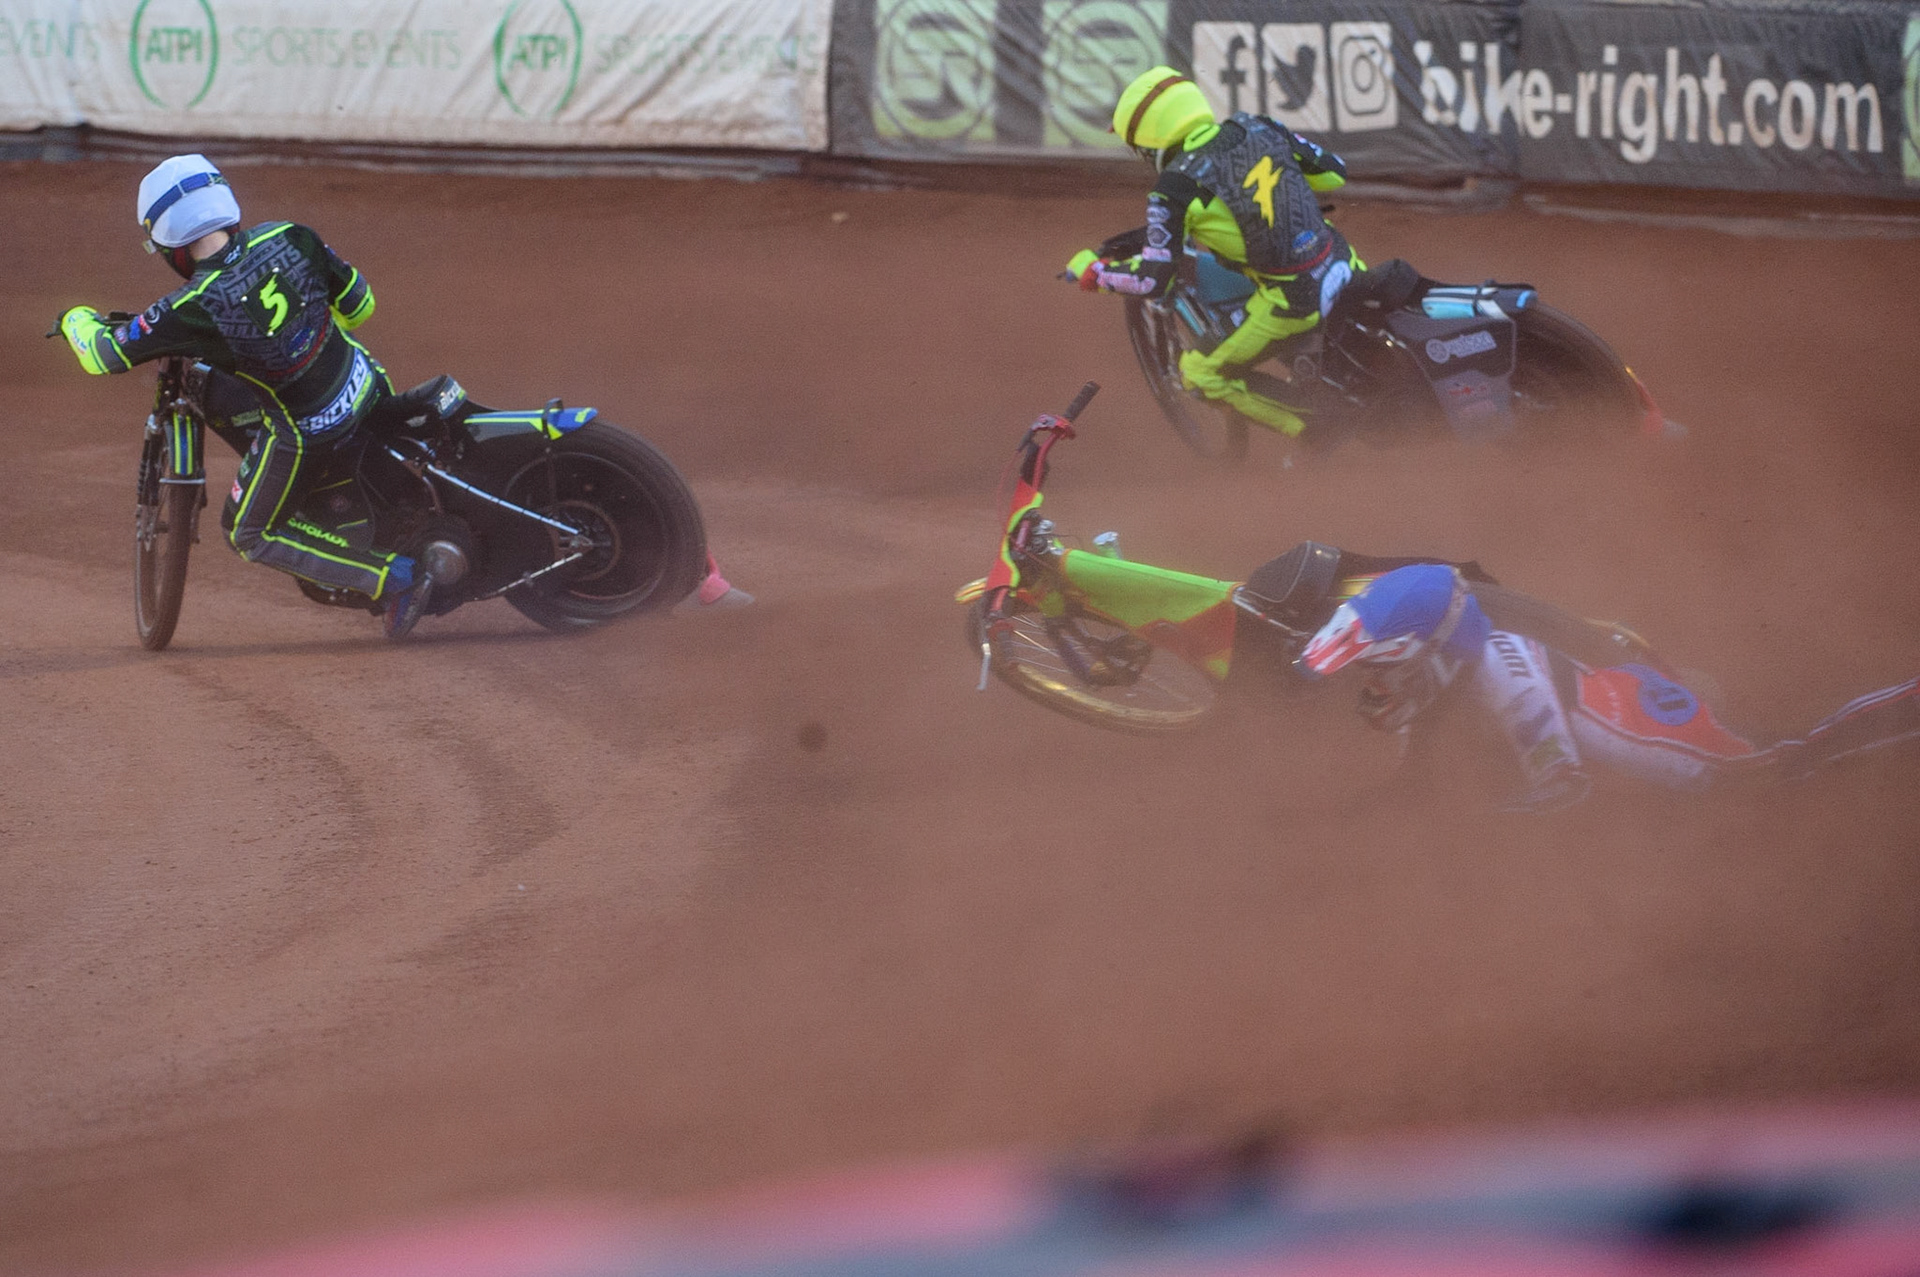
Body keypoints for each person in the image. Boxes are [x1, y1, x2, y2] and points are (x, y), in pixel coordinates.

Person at [56, 154, 438, 639]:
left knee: (247, 532)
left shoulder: (191, 307)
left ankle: (390, 579)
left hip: (309, 432)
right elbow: (360, 305)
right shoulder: (291, 235)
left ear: (169, 244)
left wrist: (74, 318)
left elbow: (102, 356)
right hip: (367, 382)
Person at [1292, 562, 1920, 811]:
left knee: (1780, 766)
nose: (1374, 689)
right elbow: (1417, 773)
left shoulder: (1502, 669)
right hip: (1631, 699)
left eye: (1377, 676)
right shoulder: (1456, 670)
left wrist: (1482, 831)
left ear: (1416, 656)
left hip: (1655, 726)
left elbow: (1562, 790)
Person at [1064, 65, 1363, 440]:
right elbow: (1333, 173)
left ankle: (1317, 430)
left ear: (1149, 141)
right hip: (1342, 260)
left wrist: (1096, 274)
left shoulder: (1174, 189)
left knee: (1199, 373)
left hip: (1292, 299)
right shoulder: (1258, 127)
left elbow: (1152, 279)